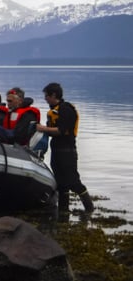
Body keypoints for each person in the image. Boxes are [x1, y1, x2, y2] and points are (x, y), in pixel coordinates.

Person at [36, 82, 94, 213]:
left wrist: (43, 128)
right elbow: (51, 130)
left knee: (73, 181)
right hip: (56, 151)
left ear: (54, 95)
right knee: (61, 183)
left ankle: (89, 208)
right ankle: (63, 212)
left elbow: (61, 130)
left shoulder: (65, 109)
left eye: (46, 96)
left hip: (67, 151)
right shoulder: (52, 111)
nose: (45, 98)